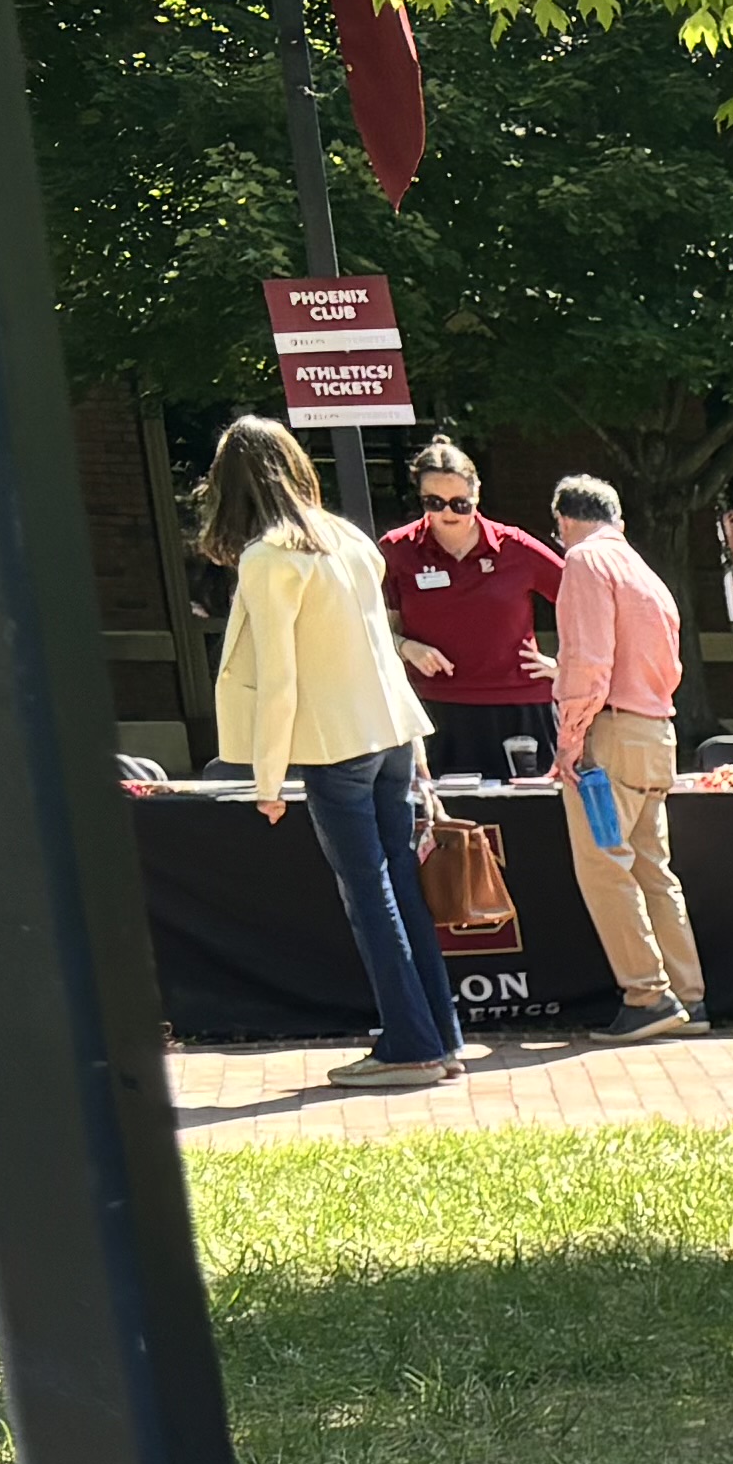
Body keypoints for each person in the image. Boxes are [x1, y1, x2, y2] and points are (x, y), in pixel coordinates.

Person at [197, 413, 464, 1092]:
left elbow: (281, 678)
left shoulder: (267, 558)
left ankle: (409, 1043)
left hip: (335, 745)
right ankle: (439, 1037)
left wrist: (265, 777)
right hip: (392, 732)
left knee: (368, 894)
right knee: (399, 884)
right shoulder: (349, 540)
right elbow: (379, 649)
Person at [544, 473, 707, 1038]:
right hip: (655, 732)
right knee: (651, 868)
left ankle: (648, 996)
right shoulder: (646, 574)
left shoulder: (585, 562)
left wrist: (569, 742)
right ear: (620, 520)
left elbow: (589, 663)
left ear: (564, 521)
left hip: (609, 738)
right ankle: (690, 996)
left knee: (604, 868)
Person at [378, 436, 561, 773]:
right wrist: (404, 647)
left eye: (459, 503)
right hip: (434, 706)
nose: (447, 512)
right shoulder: (397, 549)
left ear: (476, 496)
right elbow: (369, 627)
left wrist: (565, 666)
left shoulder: (514, 547)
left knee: (532, 818)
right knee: (450, 819)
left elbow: (584, 602)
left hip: (518, 702)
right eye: (434, 502)